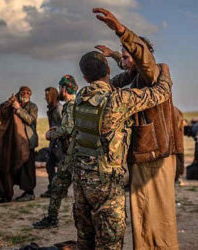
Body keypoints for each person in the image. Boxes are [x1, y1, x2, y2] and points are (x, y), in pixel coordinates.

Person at [95, 8, 180, 250]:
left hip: (153, 153)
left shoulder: (152, 72)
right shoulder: (133, 76)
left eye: (127, 55)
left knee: (154, 212)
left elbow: (142, 60)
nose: (123, 61)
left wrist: (121, 30)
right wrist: (114, 54)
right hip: (145, 152)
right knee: (144, 210)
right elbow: (128, 68)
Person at [70, 48, 171, 249]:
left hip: (81, 178)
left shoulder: (82, 95)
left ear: (84, 77)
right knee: (110, 240)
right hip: (105, 180)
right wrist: (164, 70)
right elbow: (161, 92)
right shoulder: (117, 100)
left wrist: (122, 60)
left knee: (86, 239)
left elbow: (116, 81)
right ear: (108, 68)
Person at [33, 75, 77, 229]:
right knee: (59, 185)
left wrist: (51, 134)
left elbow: (68, 129)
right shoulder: (74, 104)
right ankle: (52, 218)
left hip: (73, 154)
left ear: (65, 89)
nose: (59, 91)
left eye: (60, 88)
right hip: (73, 153)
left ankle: (52, 218)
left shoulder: (70, 106)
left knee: (60, 185)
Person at [0, 86, 38, 202]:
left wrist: (19, 109)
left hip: (28, 141)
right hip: (17, 143)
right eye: (23, 92)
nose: (25, 94)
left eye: (28, 92)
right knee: (18, 167)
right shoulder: (16, 105)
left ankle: (29, 192)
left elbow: (30, 120)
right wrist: (10, 103)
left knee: (28, 168)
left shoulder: (32, 107)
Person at [40, 87, 63, 198]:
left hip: (60, 142)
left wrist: (54, 130)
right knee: (50, 165)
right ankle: (53, 189)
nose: (45, 98)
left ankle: (60, 190)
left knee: (59, 167)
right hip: (54, 141)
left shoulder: (58, 109)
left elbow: (64, 125)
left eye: (47, 95)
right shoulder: (52, 109)